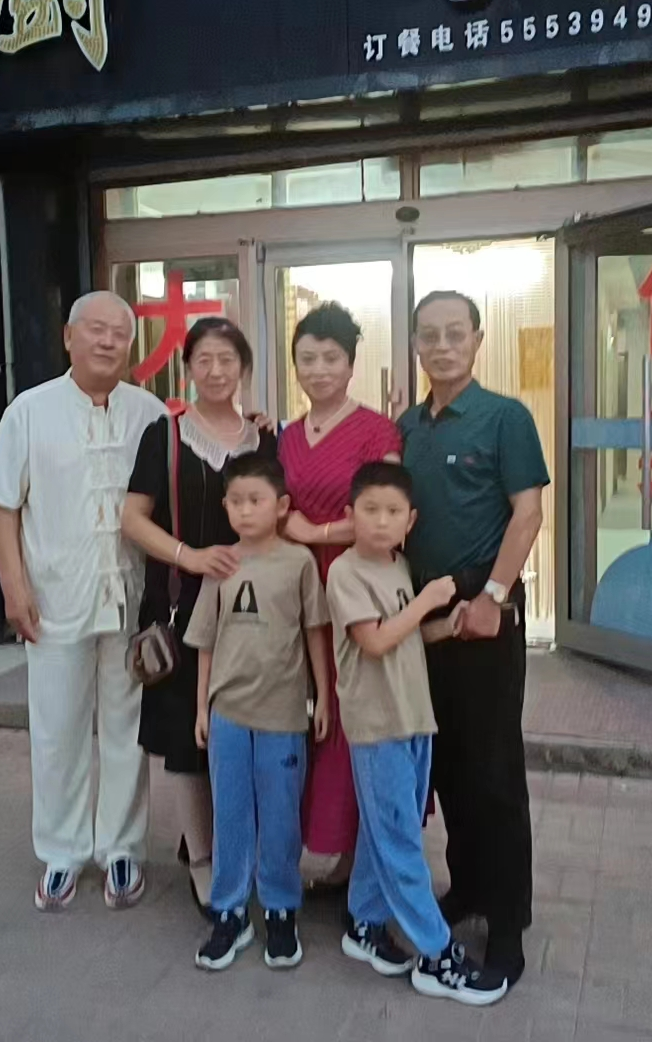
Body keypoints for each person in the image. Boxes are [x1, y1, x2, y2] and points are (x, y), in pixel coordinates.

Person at [0, 290, 167, 913]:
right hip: (54, 598)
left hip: (129, 598)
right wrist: (14, 586)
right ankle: (62, 851)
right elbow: (1, 504)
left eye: (120, 332)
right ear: (68, 337)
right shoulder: (29, 411)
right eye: (96, 329)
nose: (108, 341)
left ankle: (121, 848)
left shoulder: (150, 413)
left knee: (126, 729)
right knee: (57, 729)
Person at [399, 290, 548, 988]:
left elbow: (528, 513)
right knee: (449, 770)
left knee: (494, 775)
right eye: (429, 335)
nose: (442, 346)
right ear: (415, 344)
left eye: (454, 333)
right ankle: (468, 889)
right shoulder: (407, 426)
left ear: (478, 339)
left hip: (484, 614)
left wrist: (493, 595)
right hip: (423, 618)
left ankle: (508, 929)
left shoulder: (505, 418)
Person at [327, 461, 507, 1007]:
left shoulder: (400, 567)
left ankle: (364, 921)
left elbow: (404, 636)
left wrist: (443, 625)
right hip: (377, 724)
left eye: (393, 512)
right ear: (349, 515)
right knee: (402, 842)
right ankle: (436, 955)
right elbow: (375, 642)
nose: (381, 521)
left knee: (383, 830)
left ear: (411, 520)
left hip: (414, 718)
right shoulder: (345, 573)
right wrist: (429, 600)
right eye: (370, 510)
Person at [121, 316, 278, 918]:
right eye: (204, 360)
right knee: (186, 732)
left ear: (244, 369)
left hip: (252, 607)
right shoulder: (163, 436)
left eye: (227, 360)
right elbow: (132, 519)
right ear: (188, 368)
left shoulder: (266, 439)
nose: (216, 371)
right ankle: (203, 857)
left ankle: (228, 840)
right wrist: (189, 555)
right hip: (181, 602)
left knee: (241, 727)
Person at [184, 454, 331, 971]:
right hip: (228, 712)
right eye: (236, 502)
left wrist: (323, 696)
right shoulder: (220, 563)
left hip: (283, 714)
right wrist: (202, 706)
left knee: (280, 816)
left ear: (281, 505)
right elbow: (205, 641)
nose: (245, 511)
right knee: (229, 813)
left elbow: (315, 631)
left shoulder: (299, 563)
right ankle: (228, 911)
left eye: (256, 500)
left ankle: (281, 909)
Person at [278, 303, 402, 885]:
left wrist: (316, 533)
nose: (319, 369)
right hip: (299, 592)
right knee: (315, 711)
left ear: (352, 364)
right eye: (307, 358)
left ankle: (362, 854)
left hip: (357, 585)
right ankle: (330, 847)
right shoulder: (285, 436)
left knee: (357, 714)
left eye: (331, 358)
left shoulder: (378, 431)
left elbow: (386, 516)